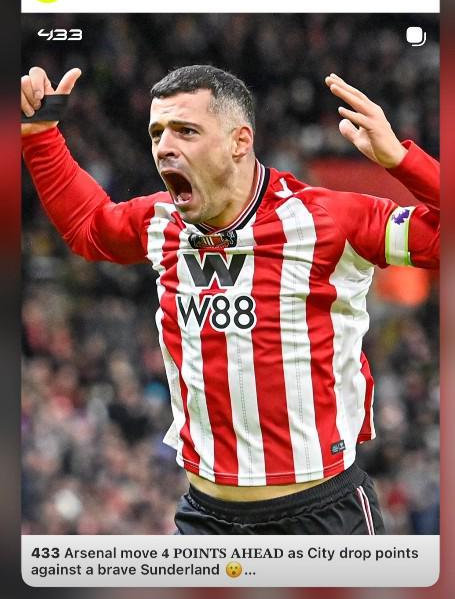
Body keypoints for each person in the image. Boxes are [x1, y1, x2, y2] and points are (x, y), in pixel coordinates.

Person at [21, 64, 439, 535]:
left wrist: (401, 160)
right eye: (157, 133)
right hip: (207, 517)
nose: (165, 147)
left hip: (321, 514)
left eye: (186, 131)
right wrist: (40, 136)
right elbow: (89, 227)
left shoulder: (328, 219)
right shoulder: (160, 221)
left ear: (240, 141)